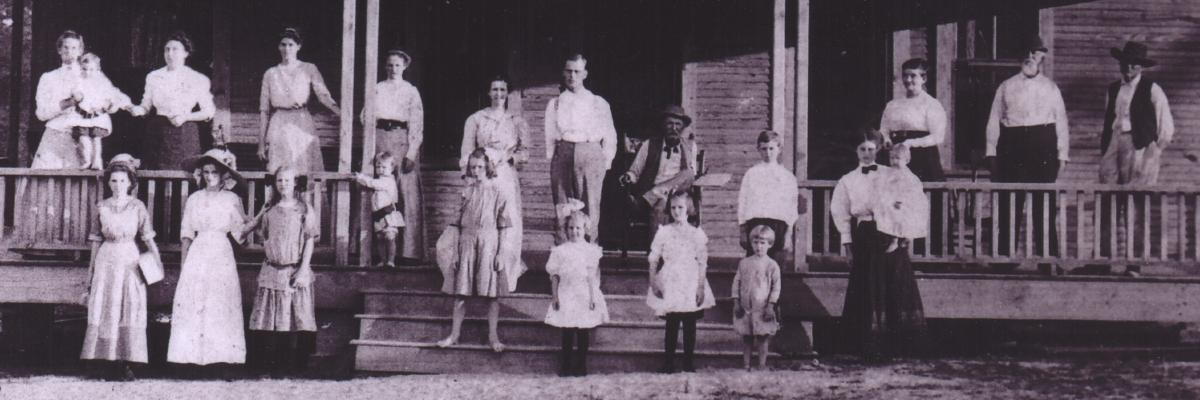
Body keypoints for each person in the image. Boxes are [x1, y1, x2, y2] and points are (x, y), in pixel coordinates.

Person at [834, 135, 928, 360]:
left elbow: (909, 201)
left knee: (893, 286)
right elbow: (842, 213)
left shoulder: (892, 173)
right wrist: (847, 245)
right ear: (856, 151)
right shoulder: (847, 180)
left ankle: (896, 346)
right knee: (867, 286)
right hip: (865, 234)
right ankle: (866, 346)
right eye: (862, 149)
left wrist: (904, 234)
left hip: (890, 233)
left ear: (877, 150)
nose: (867, 153)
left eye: (871, 149)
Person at [985, 35, 1068, 263]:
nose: (1030, 56)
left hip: (1043, 147)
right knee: (1009, 201)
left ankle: (1047, 259)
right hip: (1012, 146)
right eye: (1026, 52)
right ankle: (1005, 259)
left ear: (1042, 56)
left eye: (1035, 52)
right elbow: (994, 120)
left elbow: (1061, 121)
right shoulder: (1006, 86)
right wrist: (991, 152)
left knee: (1044, 204)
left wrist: (1062, 154)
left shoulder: (1051, 88)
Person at [1097, 41, 1174, 276]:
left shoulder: (1152, 89)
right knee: (1107, 200)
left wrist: (1153, 153)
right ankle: (1103, 260)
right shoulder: (1113, 89)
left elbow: (1166, 127)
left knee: (1135, 205)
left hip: (1139, 146)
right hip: (1114, 142)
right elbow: (1109, 120)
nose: (1129, 67)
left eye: (1135, 64)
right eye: (1126, 62)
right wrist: (1108, 147)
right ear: (1120, 63)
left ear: (1141, 67)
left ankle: (1134, 264)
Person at [167, 149, 248, 370]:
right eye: (206, 172)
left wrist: (254, 219)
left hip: (221, 251)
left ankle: (221, 358)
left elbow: (241, 233)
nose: (210, 176)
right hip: (198, 252)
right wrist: (184, 265)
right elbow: (186, 234)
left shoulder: (232, 199)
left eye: (214, 172)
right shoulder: (194, 198)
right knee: (195, 300)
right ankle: (190, 359)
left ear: (223, 174)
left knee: (220, 300)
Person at [80, 155, 159, 381]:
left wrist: (156, 262)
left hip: (129, 258)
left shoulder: (137, 206)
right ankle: (106, 361)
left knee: (128, 304)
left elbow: (147, 237)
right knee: (107, 305)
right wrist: (91, 271)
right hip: (107, 258)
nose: (117, 185)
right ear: (108, 183)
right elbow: (96, 240)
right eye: (113, 181)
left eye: (122, 181)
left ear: (131, 183)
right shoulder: (102, 206)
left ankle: (125, 362)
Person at [436, 149, 516, 352]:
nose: (476, 171)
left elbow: (504, 226)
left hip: (489, 243)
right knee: (460, 293)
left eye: (480, 167)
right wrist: (455, 253)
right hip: (466, 242)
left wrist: (500, 254)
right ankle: (454, 335)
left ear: (488, 167)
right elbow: (456, 225)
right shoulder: (466, 192)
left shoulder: (498, 191)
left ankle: (493, 336)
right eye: (473, 167)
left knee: (491, 295)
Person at [243, 166, 319, 376]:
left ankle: (294, 367)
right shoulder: (270, 211)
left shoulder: (304, 209)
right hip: (272, 270)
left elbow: (309, 240)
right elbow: (261, 235)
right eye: (279, 181)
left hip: (294, 271)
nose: (283, 184)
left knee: (294, 318)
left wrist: (303, 270)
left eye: (287, 180)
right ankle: (269, 366)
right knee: (271, 318)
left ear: (295, 183)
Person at [461, 76, 530, 277]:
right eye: (495, 90)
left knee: (508, 221)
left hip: (506, 175)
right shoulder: (476, 119)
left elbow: (524, 153)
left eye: (502, 90)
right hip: (481, 175)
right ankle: (480, 271)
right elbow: (467, 151)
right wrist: (471, 176)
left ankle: (506, 272)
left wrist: (509, 159)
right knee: (483, 220)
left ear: (507, 93)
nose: (498, 94)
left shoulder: (516, 121)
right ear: (488, 93)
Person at [545, 54, 618, 243]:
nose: (572, 76)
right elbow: (550, 135)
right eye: (569, 71)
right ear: (563, 73)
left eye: (577, 71)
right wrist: (554, 159)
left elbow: (609, 135)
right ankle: (563, 263)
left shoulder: (598, 103)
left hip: (590, 153)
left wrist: (605, 162)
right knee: (563, 208)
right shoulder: (555, 104)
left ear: (584, 74)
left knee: (590, 209)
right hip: (563, 154)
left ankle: (589, 264)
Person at [646, 190, 715, 373]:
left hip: (690, 279)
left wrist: (700, 286)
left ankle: (688, 363)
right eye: (673, 207)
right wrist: (653, 281)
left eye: (681, 207)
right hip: (671, 279)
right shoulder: (664, 232)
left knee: (690, 323)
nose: (677, 211)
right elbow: (653, 258)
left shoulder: (696, 233)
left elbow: (702, 261)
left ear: (689, 209)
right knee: (672, 322)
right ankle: (668, 362)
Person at [257, 27, 339, 173]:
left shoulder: (309, 68)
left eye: (291, 45)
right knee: (279, 168)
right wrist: (261, 144)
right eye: (283, 44)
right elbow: (264, 110)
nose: (286, 49)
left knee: (303, 166)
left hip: (301, 122)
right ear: (278, 46)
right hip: (279, 124)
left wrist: (341, 113)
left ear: (298, 46)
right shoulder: (270, 73)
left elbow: (323, 95)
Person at [130, 31, 216, 170]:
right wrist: (137, 109)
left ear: (186, 53)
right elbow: (146, 106)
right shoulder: (154, 76)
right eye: (167, 49)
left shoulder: (197, 78)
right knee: (156, 176)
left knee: (183, 177)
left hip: (185, 132)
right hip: (158, 133)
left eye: (175, 49)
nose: (170, 54)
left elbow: (208, 111)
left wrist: (185, 116)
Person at [369, 49, 425, 260]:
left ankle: (407, 252)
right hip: (380, 138)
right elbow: (367, 115)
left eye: (398, 65)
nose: (393, 69)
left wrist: (411, 151)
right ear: (385, 66)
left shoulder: (411, 91)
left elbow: (417, 123)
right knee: (377, 189)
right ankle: (376, 251)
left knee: (405, 190)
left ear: (405, 67)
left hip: (402, 139)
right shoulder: (377, 88)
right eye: (390, 65)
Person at [544, 205, 609, 377]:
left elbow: (592, 276)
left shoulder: (590, 250)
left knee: (582, 330)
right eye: (571, 228)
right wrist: (555, 296)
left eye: (578, 228)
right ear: (566, 230)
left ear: (585, 229)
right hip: (566, 293)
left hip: (584, 293)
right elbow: (555, 276)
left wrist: (592, 296)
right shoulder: (560, 251)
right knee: (567, 329)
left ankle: (581, 364)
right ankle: (565, 364)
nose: (574, 232)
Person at [620, 105, 697, 241]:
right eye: (669, 124)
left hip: (680, 194)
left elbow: (691, 177)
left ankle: (650, 197)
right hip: (657, 194)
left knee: (689, 173)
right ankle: (656, 255)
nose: (674, 128)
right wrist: (627, 177)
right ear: (663, 125)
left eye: (678, 124)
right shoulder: (649, 145)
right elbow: (634, 171)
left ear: (683, 127)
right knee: (660, 208)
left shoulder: (690, 146)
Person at [880, 58, 947, 182]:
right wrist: (886, 139)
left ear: (923, 79)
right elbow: (884, 128)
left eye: (913, 76)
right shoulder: (893, 105)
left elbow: (938, 136)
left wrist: (910, 143)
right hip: (896, 154)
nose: (908, 80)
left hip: (922, 154)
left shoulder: (931, 104)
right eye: (905, 75)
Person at [736, 130, 798, 262]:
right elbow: (743, 201)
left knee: (776, 267)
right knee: (754, 266)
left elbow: (792, 206)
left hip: (778, 225)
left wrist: (788, 233)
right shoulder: (751, 174)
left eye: (771, 148)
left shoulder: (787, 176)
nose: (768, 153)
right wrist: (742, 230)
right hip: (755, 223)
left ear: (779, 149)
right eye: (764, 149)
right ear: (758, 149)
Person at [31, 30, 86, 169]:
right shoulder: (48, 78)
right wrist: (65, 104)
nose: (69, 51)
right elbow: (41, 114)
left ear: (80, 51)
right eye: (65, 47)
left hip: (81, 136)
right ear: (59, 50)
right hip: (54, 134)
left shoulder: (90, 76)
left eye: (74, 48)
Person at [731, 225, 782, 371]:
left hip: (762, 307)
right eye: (755, 242)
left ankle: (761, 365)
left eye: (763, 243)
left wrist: (771, 305)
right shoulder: (744, 263)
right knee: (746, 337)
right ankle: (746, 364)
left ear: (770, 244)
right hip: (746, 307)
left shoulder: (772, 265)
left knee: (762, 337)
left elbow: (776, 287)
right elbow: (736, 282)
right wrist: (736, 301)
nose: (758, 246)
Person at [70, 53, 132, 170]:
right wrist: (76, 95)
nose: (87, 72)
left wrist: (115, 103)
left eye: (91, 69)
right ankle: (86, 160)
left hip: (97, 117)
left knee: (96, 139)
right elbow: (74, 90)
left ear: (98, 69)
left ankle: (97, 160)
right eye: (84, 69)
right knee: (83, 139)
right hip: (82, 117)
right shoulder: (78, 80)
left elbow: (113, 93)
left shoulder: (102, 82)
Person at [354, 151, 405, 268]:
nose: (381, 169)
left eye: (384, 167)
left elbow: (372, 183)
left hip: (388, 213)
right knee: (380, 238)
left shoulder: (388, 181)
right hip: (378, 214)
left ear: (392, 168)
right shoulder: (382, 179)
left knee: (390, 237)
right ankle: (383, 260)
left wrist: (360, 177)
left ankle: (391, 261)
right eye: (378, 167)